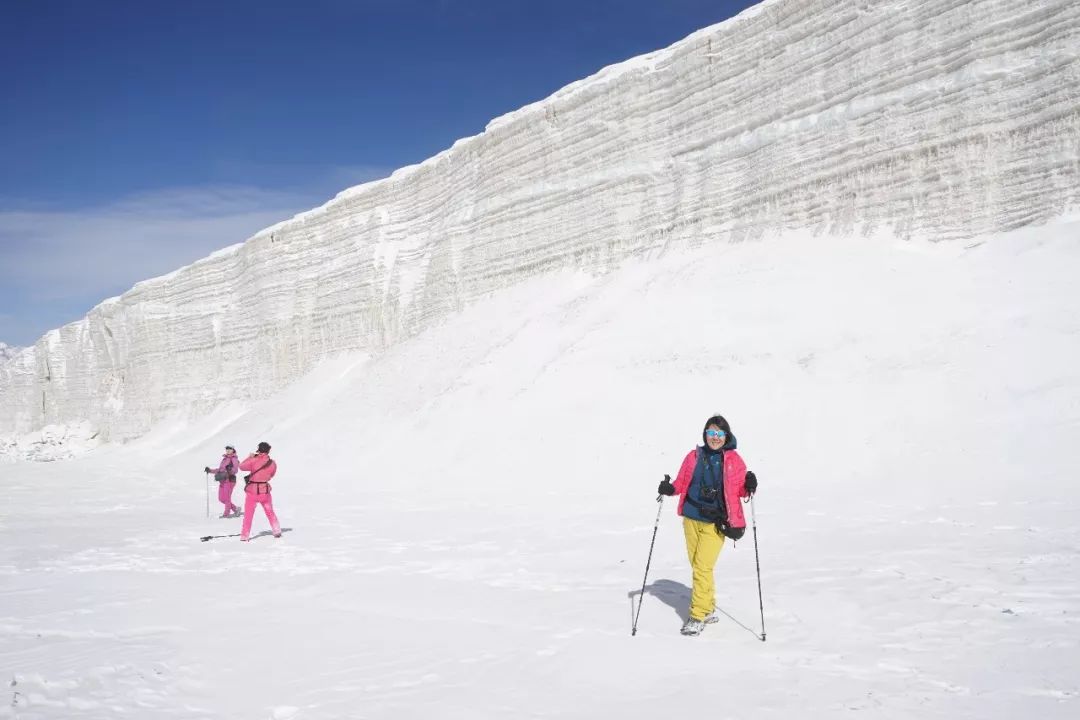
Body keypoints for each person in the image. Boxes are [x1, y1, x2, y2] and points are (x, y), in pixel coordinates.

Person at [657, 414, 759, 636]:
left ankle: (697, 614)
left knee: (702, 567)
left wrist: (750, 485)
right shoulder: (693, 456)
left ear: (726, 436)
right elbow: (681, 483)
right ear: (705, 434)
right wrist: (669, 489)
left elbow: (740, 491)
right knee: (699, 566)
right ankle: (709, 605)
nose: (715, 437)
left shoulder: (734, 461)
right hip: (691, 518)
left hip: (716, 523)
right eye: (711, 433)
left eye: (719, 434)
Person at [238, 441, 281, 542]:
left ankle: (245, 535)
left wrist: (250, 457)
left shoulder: (253, 460)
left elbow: (241, 467)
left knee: (248, 514)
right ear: (268, 450)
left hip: (252, 491)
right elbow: (272, 474)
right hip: (265, 490)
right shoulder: (272, 463)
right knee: (269, 511)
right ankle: (277, 530)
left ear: (258, 450)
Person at [204, 445, 241, 518]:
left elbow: (235, 470)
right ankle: (235, 508)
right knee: (221, 499)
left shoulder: (234, 459)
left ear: (233, 450)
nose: (228, 450)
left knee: (227, 498)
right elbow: (220, 470)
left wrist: (230, 469)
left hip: (230, 480)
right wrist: (210, 470)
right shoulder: (224, 459)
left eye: (230, 449)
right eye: (227, 449)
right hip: (222, 481)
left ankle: (226, 514)